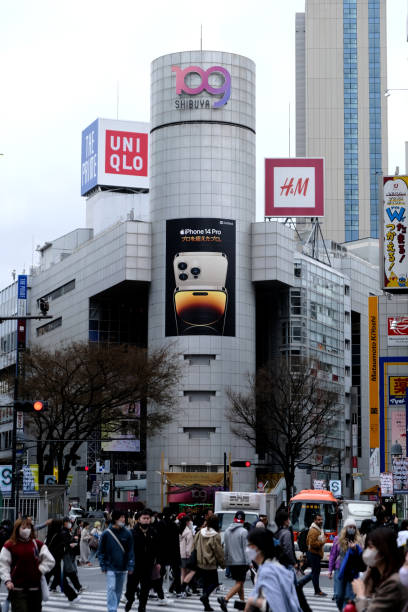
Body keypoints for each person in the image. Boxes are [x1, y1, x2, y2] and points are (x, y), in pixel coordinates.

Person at [0, 517, 55, 612]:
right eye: (24, 527)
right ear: (17, 528)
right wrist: (7, 580)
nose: (26, 529)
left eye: (29, 527)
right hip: (17, 588)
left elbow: (50, 560)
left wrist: (40, 570)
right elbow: (3, 564)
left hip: (35, 589)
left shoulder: (37, 544)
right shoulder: (9, 545)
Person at [244, 527, 301, 612]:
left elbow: (276, 606)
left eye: (249, 545)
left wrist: (252, 601)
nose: (247, 549)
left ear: (257, 547)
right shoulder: (274, 566)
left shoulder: (267, 572)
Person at [352, 526, 408, 611]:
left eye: (371, 547)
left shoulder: (393, 583)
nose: (367, 551)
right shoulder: (379, 576)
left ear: (383, 550)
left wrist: (360, 595)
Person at [98, 509, 135, 612]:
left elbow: (131, 551)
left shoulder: (127, 533)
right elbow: (101, 551)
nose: (123, 519)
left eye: (124, 517)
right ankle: (112, 609)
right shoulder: (106, 533)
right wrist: (102, 565)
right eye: (121, 517)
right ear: (115, 518)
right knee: (111, 588)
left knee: (118, 591)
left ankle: (115, 607)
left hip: (122, 567)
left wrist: (131, 565)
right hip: (110, 567)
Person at [123, 508, 160, 612]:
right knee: (131, 587)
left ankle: (142, 607)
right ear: (139, 519)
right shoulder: (131, 533)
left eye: (148, 518)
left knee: (145, 588)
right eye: (144, 518)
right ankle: (130, 600)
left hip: (148, 565)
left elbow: (158, 548)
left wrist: (158, 562)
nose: (146, 520)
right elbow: (127, 549)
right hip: (134, 565)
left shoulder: (153, 532)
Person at [218, 510, 250, 612]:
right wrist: (249, 562)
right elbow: (246, 549)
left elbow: (225, 548)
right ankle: (225, 599)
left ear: (234, 519)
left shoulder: (227, 531)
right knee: (240, 583)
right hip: (241, 561)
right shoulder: (244, 532)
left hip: (231, 561)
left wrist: (226, 560)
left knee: (239, 583)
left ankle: (242, 605)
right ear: (243, 520)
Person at [328, 518, 363, 611]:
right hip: (340, 569)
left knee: (349, 596)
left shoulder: (358, 540)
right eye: (349, 527)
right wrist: (330, 570)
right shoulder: (337, 539)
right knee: (338, 595)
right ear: (345, 528)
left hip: (352, 571)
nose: (351, 529)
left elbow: (361, 556)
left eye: (353, 527)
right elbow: (333, 555)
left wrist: (355, 548)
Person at [194, 514, 224, 611]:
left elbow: (194, 545)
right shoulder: (215, 535)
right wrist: (223, 563)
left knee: (205, 584)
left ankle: (206, 606)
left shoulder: (200, 532)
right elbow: (218, 551)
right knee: (214, 583)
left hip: (200, 562)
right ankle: (205, 596)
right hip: (211, 563)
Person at [155, 506, 182, 597]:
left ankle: (159, 591)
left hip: (162, 551)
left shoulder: (159, 524)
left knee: (160, 572)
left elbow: (157, 539)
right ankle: (178, 590)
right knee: (176, 572)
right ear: (171, 514)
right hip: (173, 551)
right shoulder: (174, 525)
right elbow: (177, 538)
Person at [298, 513, 327, 596]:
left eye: (321, 519)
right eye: (318, 520)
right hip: (313, 553)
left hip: (315, 554)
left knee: (315, 572)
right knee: (315, 573)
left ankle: (300, 583)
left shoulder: (318, 529)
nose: (320, 521)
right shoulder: (313, 530)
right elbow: (313, 544)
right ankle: (317, 590)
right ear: (315, 520)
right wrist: (322, 542)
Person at [61, 516, 83, 604]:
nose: (70, 523)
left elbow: (68, 541)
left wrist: (73, 540)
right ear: (65, 523)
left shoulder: (66, 531)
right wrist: (71, 543)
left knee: (65, 574)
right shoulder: (63, 532)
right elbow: (65, 543)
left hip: (69, 554)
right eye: (68, 522)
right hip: (66, 554)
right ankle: (78, 588)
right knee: (71, 572)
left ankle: (76, 589)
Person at [45, 519, 64, 592]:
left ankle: (48, 586)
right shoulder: (59, 533)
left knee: (50, 572)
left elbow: (47, 543)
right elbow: (61, 545)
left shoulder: (50, 531)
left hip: (49, 554)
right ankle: (52, 587)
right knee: (57, 573)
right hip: (56, 555)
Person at [179, 515, 194, 590]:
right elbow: (189, 545)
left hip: (180, 553)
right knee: (188, 572)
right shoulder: (188, 532)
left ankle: (181, 588)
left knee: (182, 573)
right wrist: (189, 554)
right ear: (187, 522)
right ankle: (183, 588)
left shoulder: (179, 530)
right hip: (186, 554)